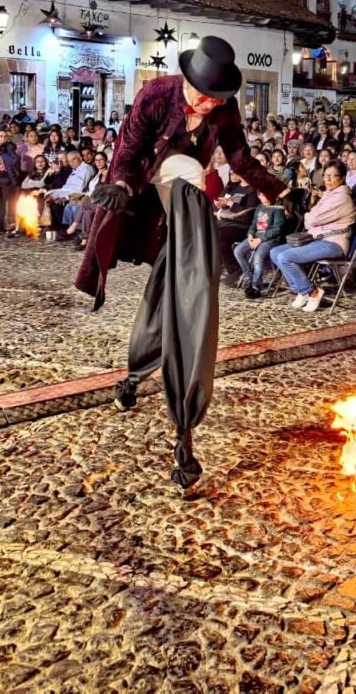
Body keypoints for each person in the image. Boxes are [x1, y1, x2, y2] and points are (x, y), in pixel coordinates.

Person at [76, 36, 283, 488]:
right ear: (187, 80)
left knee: (187, 298)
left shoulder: (223, 109)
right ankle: (151, 379)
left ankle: (178, 417)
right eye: (201, 95)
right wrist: (121, 185)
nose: (208, 104)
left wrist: (280, 189)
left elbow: (240, 157)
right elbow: (128, 151)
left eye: (216, 98)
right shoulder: (156, 95)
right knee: (184, 295)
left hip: (189, 198)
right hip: (153, 192)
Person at [269, 160, 356, 313]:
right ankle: (302, 290)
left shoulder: (342, 197)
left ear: (342, 178)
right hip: (318, 239)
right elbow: (312, 218)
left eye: (332, 176)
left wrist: (311, 217)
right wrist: (312, 216)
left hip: (333, 243)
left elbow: (312, 219)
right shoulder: (329, 195)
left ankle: (312, 292)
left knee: (285, 257)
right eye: (325, 175)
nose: (327, 180)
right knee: (275, 252)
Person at [234, 192, 293, 298]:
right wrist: (250, 235)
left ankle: (255, 286)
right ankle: (250, 277)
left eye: (267, 194)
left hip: (271, 239)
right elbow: (254, 224)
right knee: (238, 251)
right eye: (262, 195)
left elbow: (277, 229)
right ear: (259, 196)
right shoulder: (259, 207)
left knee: (258, 257)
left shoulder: (278, 208)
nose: (265, 197)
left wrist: (260, 239)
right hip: (256, 236)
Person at [214, 170, 259, 280]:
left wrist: (229, 203)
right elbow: (221, 204)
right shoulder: (233, 187)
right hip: (225, 222)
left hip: (242, 226)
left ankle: (235, 270)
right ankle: (211, 267)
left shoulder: (253, 190)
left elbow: (248, 215)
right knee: (205, 230)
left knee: (219, 235)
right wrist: (219, 205)